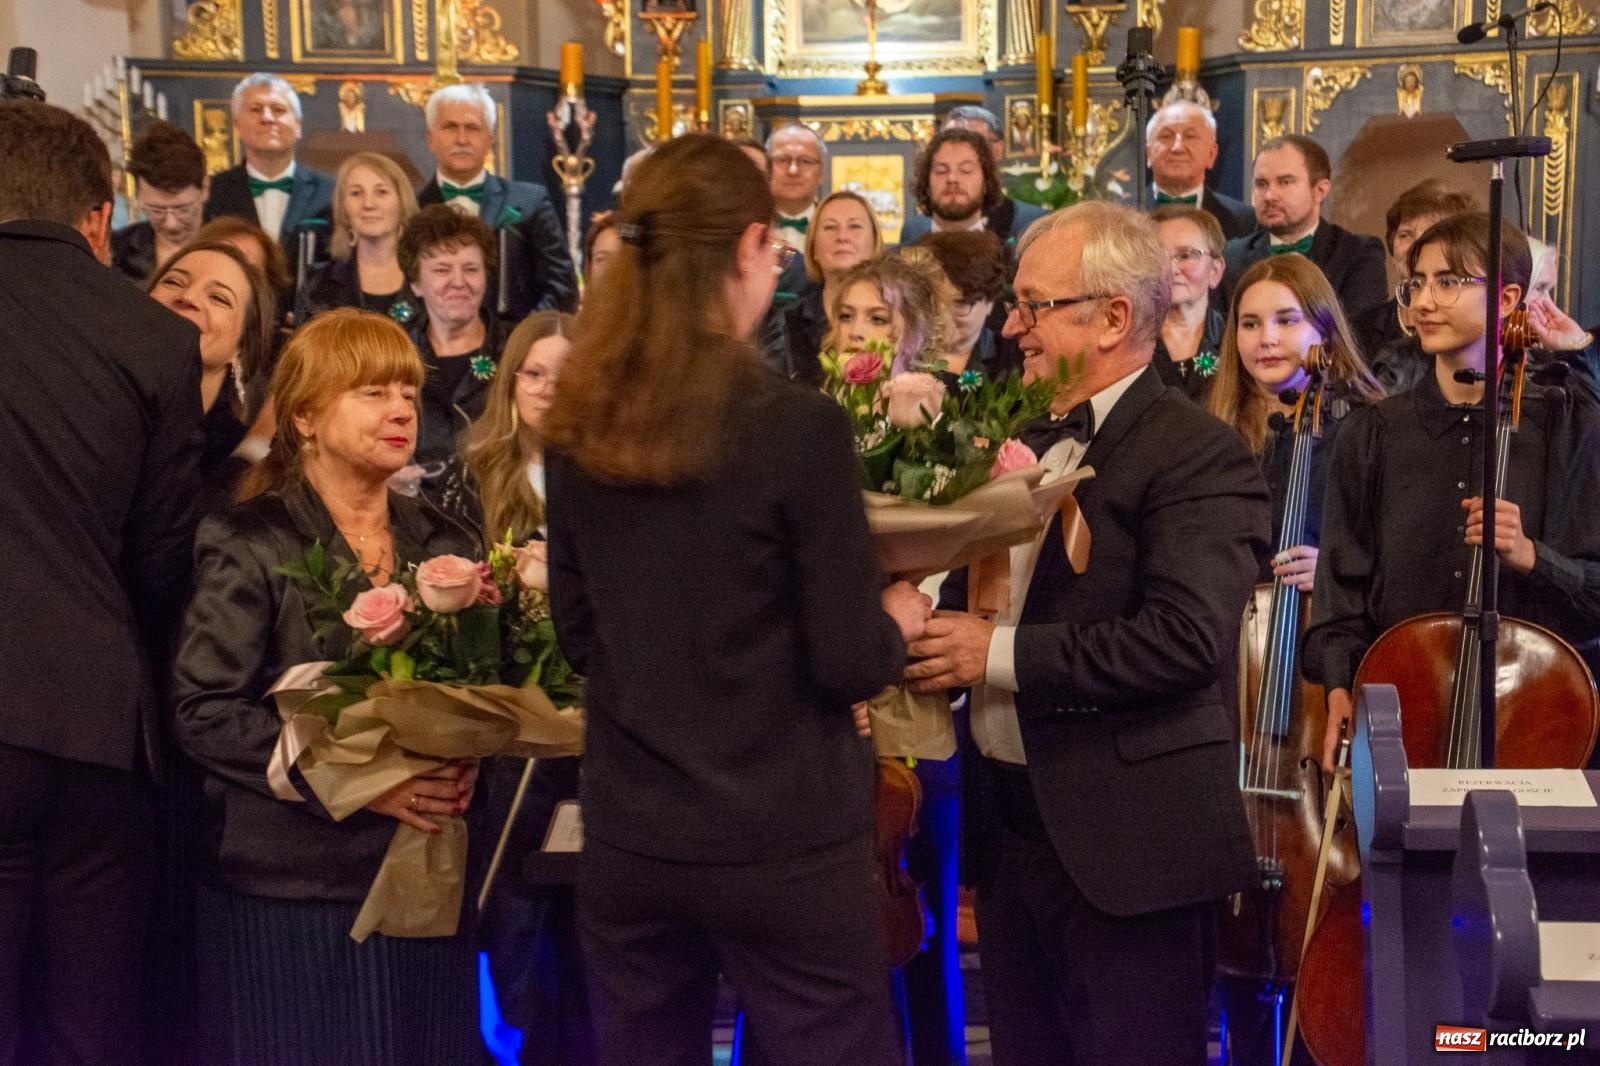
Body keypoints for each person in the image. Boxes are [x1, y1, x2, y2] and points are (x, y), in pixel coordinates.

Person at [541, 133, 928, 1066]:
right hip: (784, 837)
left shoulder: (579, 425)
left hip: (635, 832)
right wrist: (900, 623)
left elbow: (580, 633)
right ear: (753, 245)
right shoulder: (796, 426)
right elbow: (844, 658)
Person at [904, 200, 1270, 1066]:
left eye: (1036, 306)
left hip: (1130, 847)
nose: (1016, 329)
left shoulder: (1198, 453)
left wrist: (986, 655)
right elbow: (964, 592)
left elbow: (1184, 639)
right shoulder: (1021, 438)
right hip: (1013, 835)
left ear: (1112, 317)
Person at [172, 309, 481, 1065]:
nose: (402, 409)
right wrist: (363, 780)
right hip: (293, 889)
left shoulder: (448, 541)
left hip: (428, 876)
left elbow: (482, 694)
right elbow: (203, 711)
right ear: (306, 415)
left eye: (407, 391)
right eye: (372, 392)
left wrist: (473, 755)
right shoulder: (249, 538)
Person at [0, 98, 204, 1066]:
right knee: (92, 1026)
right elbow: (164, 557)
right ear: (98, 216)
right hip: (94, 723)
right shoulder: (154, 336)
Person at [1304, 213, 1600, 774]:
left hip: (1539, 724)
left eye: (1448, 282)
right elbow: (1342, 589)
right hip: (1402, 721)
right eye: (1416, 282)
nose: (1423, 301)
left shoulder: (1565, 423)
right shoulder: (1373, 433)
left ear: (1509, 297)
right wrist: (1339, 684)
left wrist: (1533, 557)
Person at [460, 312, 595, 1065]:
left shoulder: (617, 479)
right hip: (509, 750)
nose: (547, 390)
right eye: (533, 374)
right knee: (511, 940)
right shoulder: (473, 479)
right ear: (510, 388)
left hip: (596, 737)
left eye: (564, 374)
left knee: (591, 955)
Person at [416, 83, 578, 320]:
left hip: (516, 350)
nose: (462, 139)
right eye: (450, 127)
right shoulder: (410, 208)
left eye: (472, 128)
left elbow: (562, 287)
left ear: (489, 140)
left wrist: (519, 338)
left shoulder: (530, 202)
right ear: (431, 138)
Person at [146, 240, 279, 509]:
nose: (189, 297)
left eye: (218, 297)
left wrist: (253, 450)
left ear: (242, 346)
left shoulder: (239, 456)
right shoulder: (91, 407)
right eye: (173, 282)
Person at [398, 204, 510, 516]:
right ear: (416, 283)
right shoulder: (394, 356)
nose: (458, 282)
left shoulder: (517, 350)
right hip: (416, 523)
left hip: (505, 522)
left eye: (471, 269)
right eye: (442, 270)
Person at [1224, 135, 1388, 323]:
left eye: (1285, 182)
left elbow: (1359, 338)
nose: (1269, 195)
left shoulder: (1358, 253)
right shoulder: (1231, 256)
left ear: (1320, 190)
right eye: (1261, 184)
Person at [1349, 179, 1475, 393]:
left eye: (1429, 235)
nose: (1414, 247)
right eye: (1405, 235)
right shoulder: (1359, 328)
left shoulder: (1466, 331)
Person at [204, 73, 334, 261]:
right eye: (256, 109)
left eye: (278, 109)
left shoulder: (330, 192)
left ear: (298, 126)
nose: (267, 118)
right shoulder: (213, 191)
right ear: (237, 124)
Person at [778, 189, 883, 386]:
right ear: (812, 247)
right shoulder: (785, 323)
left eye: (854, 226)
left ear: (875, 242)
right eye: (830, 227)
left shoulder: (900, 317)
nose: (842, 236)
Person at [301, 152, 419, 323]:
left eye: (381, 192)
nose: (368, 204)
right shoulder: (318, 283)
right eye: (356, 193)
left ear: (402, 202)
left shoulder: (429, 277)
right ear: (344, 208)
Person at [900, 127, 1044, 246]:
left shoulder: (1013, 262)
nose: (952, 178)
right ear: (927, 183)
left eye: (965, 170)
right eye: (941, 171)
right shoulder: (902, 260)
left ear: (986, 183)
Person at [113, 120, 209, 283]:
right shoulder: (116, 252)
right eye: (156, 210)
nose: (171, 224)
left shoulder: (234, 246)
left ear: (205, 189)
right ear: (137, 196)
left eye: (183, 209)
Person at [942, 104, 1051, 248]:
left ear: (997, 149)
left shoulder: (1031, 222)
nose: (960, 155)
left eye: (972, 144)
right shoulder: (917, 230)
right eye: (949, 145)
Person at [1146, 101, 1257, 240]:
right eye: (1166, 136)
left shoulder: (1245, 221)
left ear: (1211, 154)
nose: (1177, 147)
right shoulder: (1119, 214)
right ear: (1148, 153)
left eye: (1190, 136)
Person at [1151, 204, 1228, 402]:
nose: (1171, 269)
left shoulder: (1235, 340)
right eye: (1158, 256)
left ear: (1215, 271)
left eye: (1186, 255)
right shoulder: (1130, 345)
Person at [916, 229, 1015, 384]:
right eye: (930, 300)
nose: (942, 315)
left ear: (989, 303)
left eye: (960, 303)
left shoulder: (1011, 362)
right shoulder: (895, 355)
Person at [826, 254, 947, 376]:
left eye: (877, 319)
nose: (855, 332)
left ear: (915, 332)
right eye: (846, 317)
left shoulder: (943, 393)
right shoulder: (813, 392)